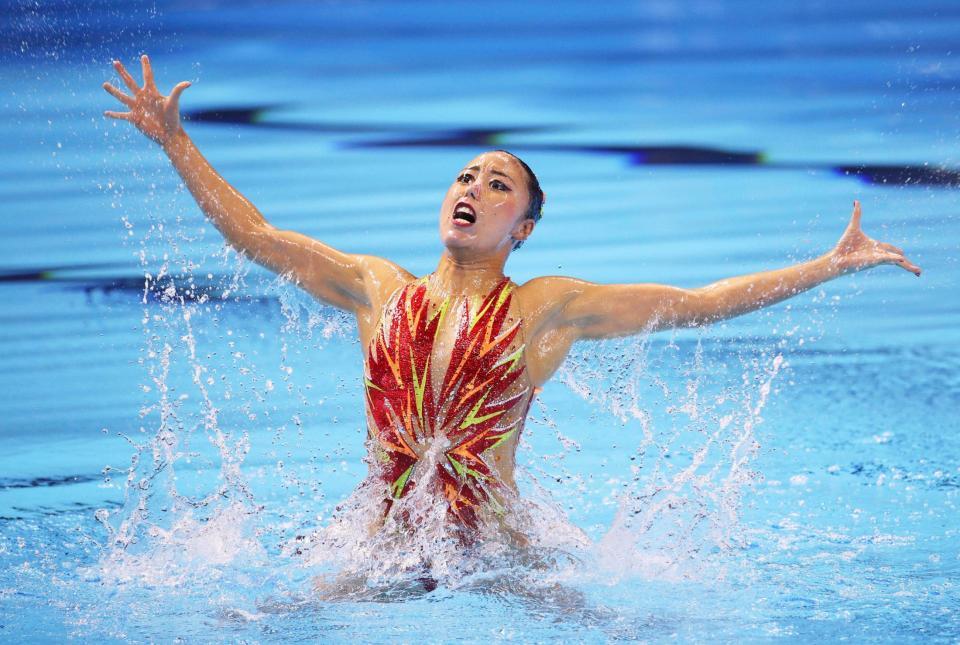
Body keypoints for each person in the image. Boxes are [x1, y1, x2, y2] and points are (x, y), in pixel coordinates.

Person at [103, 54, 921, 536]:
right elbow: (256, 237)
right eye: (466, 175)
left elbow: (698, 302)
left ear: (523, 226)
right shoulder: (376, 288)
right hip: (380, 541)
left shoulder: (545, 309)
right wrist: (177, 142)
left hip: (498, 549)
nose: (473, 185)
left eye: (498, 184)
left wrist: (829, 264)